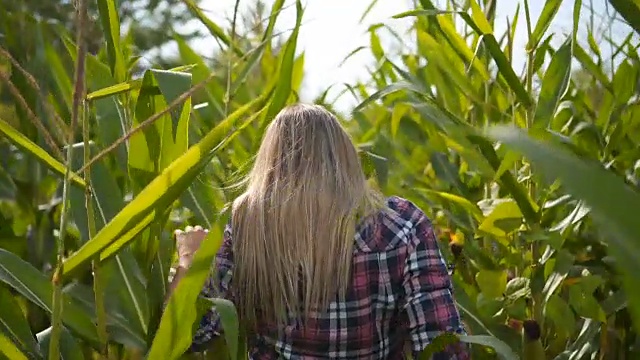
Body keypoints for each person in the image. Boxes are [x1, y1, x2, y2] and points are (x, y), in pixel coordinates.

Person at [168, 104, 470, 359]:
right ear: (345, 156)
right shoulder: (401, 224)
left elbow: (187, 337)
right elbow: (442, 346)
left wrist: (189, 261)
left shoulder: (245, 226)